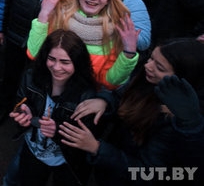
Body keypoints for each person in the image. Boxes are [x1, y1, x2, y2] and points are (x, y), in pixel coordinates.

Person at [59, 38, 204, 185]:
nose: (148, 65)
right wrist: (105, 101)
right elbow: (123, 94)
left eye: (159, 67)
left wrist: (97, 148)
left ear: (182, 77)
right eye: (151, 58)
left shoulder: (177, 122)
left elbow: (148, 173)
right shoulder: (148, 79)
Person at [7, 30, 97, 186]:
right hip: (32, 152)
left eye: (65, 62)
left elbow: (84, 139)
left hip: (65, 162)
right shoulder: (31, 76)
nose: (56, 67)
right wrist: (23, 112)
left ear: (77, 62)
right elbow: (19, 101)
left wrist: (57, 131)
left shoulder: (87, 95)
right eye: (51, 59)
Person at [28, 0, 140, 90]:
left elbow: (111, 82)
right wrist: (43, 15)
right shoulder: (59, 18)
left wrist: (129, 53)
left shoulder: (115, 31)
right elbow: (34, 54)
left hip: (84, 97)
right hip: (46, 90)